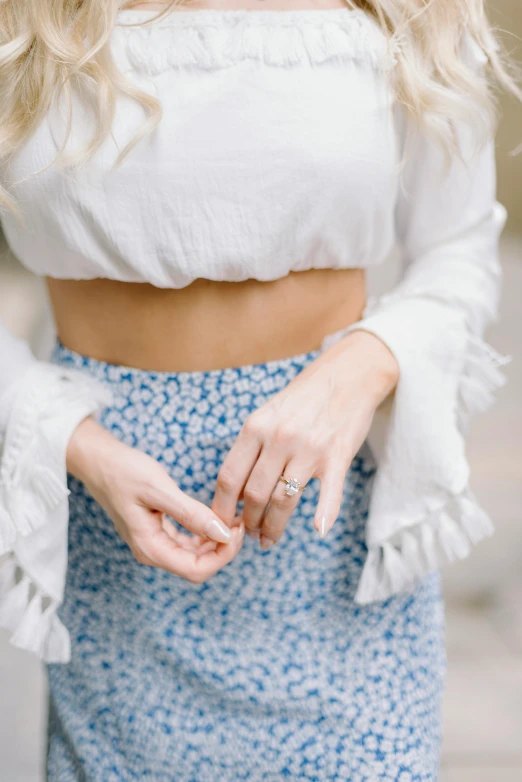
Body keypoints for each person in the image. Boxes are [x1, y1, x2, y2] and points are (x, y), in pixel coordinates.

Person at [0, 0, 518, 779]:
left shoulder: (413, 11)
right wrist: (73, 442)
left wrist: (364, 363)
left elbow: (461, 249)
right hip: (115, 557)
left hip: (334, 548)